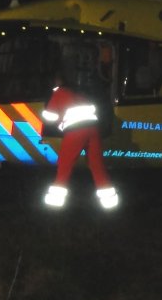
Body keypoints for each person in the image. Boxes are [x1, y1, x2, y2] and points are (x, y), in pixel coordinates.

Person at [41, 72, 119, 209]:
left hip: (76, 131)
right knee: (96, 164)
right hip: (94, 130)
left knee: (65, 164)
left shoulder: (58, 92)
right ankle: (110, 203)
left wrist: (47, 115)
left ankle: (54, 203)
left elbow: (50, 117)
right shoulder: (79, 93)